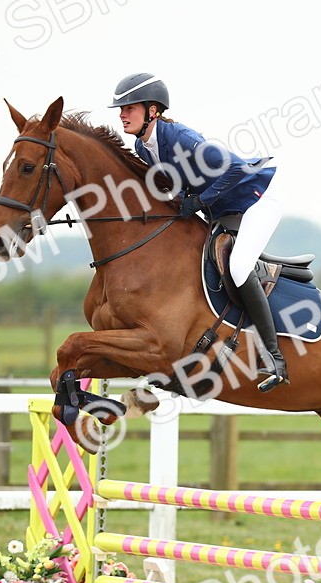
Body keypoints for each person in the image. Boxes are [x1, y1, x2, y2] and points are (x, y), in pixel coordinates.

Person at [109, 72, 289, 392]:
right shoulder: (143, 146)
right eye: (120, 109)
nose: (122, 114)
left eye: (129, 107)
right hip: (224, 209)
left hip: (257, 201)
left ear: (153, 110)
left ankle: (274, 357)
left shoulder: (179, 137)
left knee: (237, 265)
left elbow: (235, 168)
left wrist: (200, 200)